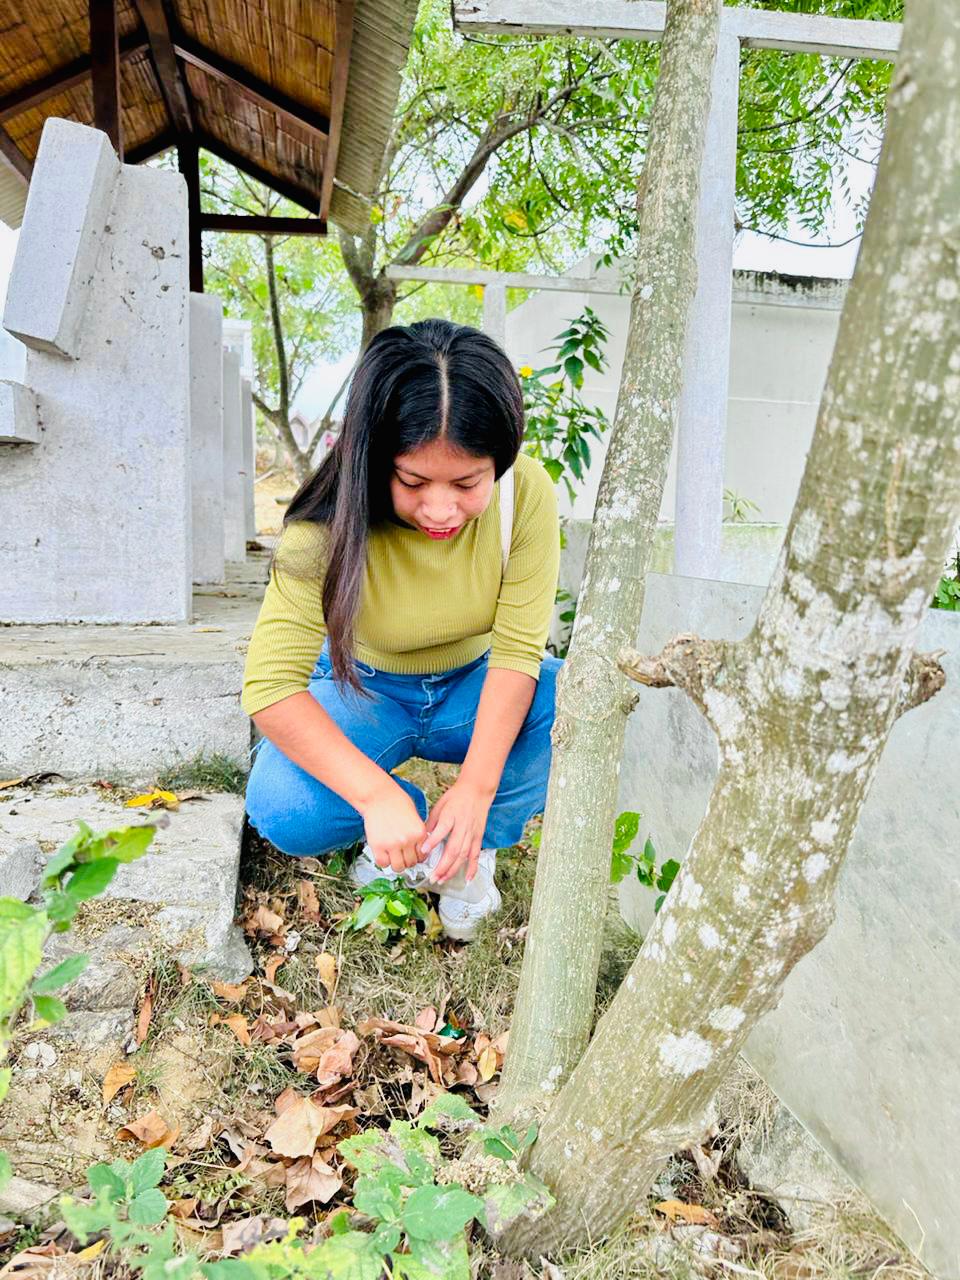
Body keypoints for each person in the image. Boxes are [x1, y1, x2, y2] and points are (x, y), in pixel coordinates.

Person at [242, 318, 562, 941]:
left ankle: (469, 849)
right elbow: (271, 687)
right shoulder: (324, 524)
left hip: (472, 687)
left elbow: (519, 654)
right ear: (371, 458)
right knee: (284, 806)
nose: (440, 509)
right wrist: (377, 798)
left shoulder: (526, 496)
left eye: (468, 483)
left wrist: (476, 788)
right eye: (412, 482)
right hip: (364, 689)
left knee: (569, 697)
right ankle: (410, 835)